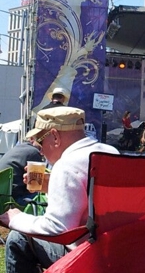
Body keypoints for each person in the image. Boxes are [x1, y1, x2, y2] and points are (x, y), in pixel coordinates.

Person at [0, 106, 119, 271]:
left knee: (18, 239)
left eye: (40, 141)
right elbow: (94, 203)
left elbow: (57, 228)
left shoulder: (67, 165)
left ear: (55, 136)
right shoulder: (110, 152)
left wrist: (15, 218)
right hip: (118, 251)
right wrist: (52, 187)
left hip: (88, 256)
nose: (39, 148)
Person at [0, 139, 43, 207]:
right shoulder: (34, 152)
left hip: (3, 197)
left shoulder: (17, 148)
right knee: (42, 194)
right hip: (14, 199)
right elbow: (34, 186)